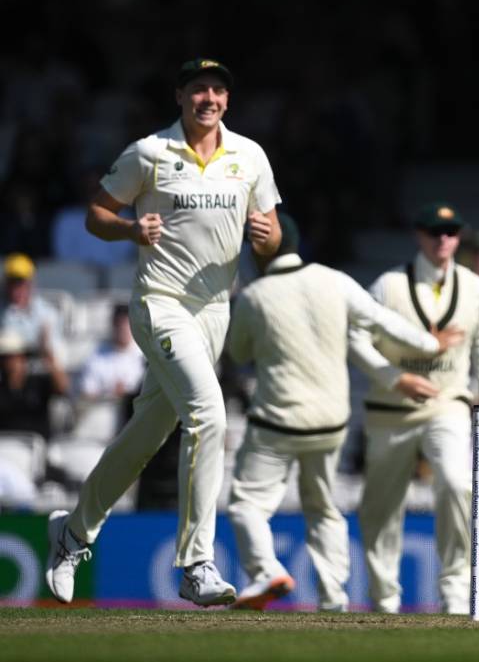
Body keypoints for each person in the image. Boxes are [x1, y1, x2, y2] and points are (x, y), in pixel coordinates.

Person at [44, 58, 283, 607]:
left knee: (145, 437)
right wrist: (131, 229)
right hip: (160, 303)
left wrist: (265, 237)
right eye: (199, 89)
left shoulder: (250, 156)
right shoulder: (149, 152)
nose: (209, 98)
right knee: (210, 415)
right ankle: (197, 564)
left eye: (218, 90)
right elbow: (96, 215)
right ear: (180, 96)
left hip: (215, 311)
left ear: (228, 99)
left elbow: (270, 239)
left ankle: (73, 532)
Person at [224, 214, 442, 612]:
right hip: (330, 422)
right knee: (322, 507)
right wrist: (428, 344)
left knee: (247, 503)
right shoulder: (334, 280)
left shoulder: (254, 296)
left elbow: (238, 354)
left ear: (259, 251)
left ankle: (265, 569)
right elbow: (380, 319)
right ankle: (333, 596)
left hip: (277, 421)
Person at [348, 201, 479, 615]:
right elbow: (355, 337)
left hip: (447, 404)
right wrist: (394, 378)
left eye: (450, 233)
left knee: (456, 483)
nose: (443, 240)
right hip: (390, 409)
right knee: (382, 506)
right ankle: (384, 596)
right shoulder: (388, 285)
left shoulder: (473, 287)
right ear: (419, 235)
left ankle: (455, 591)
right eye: (434, 232)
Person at [75, 303, 146, 441]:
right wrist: (111, 394)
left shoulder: (144, 354)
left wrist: (126, 395)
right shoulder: (96, 356)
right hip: (101, 422)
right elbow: (86, 394)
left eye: (127, 325)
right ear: (113, 326)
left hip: (135, 417)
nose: (124, 330)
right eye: (120, 325)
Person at [0, 328, 70, 438]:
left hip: (37, 445)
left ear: (23, 358)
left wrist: (48, 356)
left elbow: (62, 387)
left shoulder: (38, 382)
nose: (11, 362)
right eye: (6, 358)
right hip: (5, 445)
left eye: (15, 356)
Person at [1, 253, 67, 365]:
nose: (16, 290)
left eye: (21, 283)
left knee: (54, 365)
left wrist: (44, 344)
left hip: (40, 360)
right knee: (14, 361)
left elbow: (55, 353)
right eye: (12, 283)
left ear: (30, 284)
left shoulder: (47, 313)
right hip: (8, 361)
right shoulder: (3, 309)